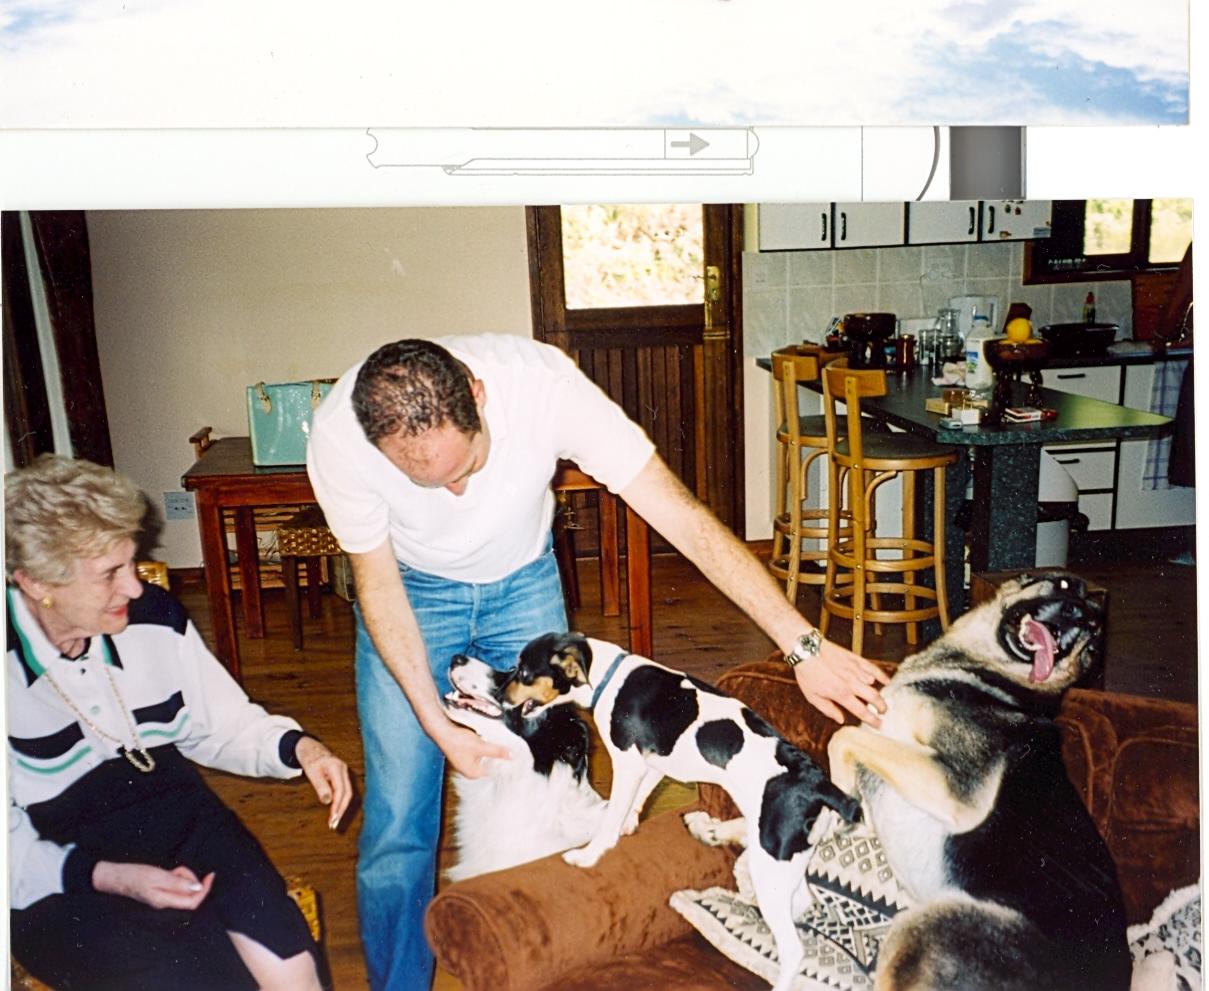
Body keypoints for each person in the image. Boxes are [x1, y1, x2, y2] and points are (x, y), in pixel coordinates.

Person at [308, 333, 888, 989]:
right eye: (428, 481)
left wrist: (801, 645)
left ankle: (560, 966)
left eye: (465, 464)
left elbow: (681, 515)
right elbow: (376, 585)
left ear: (477, 394)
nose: (458, 493)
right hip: (410, 592)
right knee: (397, 825)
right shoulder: (338, 435)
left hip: (521, 581)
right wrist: (438, 728)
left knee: (559, 793)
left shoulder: (546, 387)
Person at [5, 454, 354, 991]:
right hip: (60, 874)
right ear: (34, 582)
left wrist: (299, 748)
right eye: (109, 574)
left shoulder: (153, 618)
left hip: (184, 823)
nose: (136, 588)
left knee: (293, 970)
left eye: (132, 562)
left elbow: (217, 723)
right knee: (202, 980)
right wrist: (112, 878)